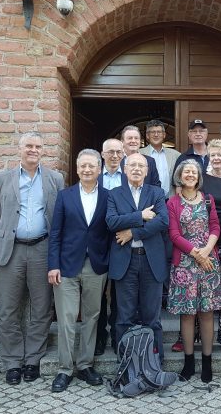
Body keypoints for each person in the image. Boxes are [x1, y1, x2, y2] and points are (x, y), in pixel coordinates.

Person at [0, 131, 64, 385]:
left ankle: (33, 359)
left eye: (38, 146)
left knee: (42, 307)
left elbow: (58, 215)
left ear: (43, 150)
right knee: (8, 308)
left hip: (42, 248)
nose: (33, 150)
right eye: (29, 146)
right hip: (12, 249)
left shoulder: (55, 178)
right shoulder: (3, 179)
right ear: (20, 149)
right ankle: (13, 362)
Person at [48, 149, 110, 393]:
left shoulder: (108, 196)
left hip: (96, 264)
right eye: (83, 166)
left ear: (99, 169)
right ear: (77, 169)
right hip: (66, 265)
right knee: (67, 317)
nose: (87, 170)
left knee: (92, 315)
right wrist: (53, 265)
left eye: (91, 166)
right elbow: (55, 233)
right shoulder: (65, 196)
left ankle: (85, 365)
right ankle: (64, 369)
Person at [172, 139, 221, 355]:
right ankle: (189, 337)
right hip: (197, 243)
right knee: (193, 297)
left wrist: (211, 246)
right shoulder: (202, 179)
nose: (217, 158)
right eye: (213, 155)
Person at [166, 160, 221, 383]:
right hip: (185, 265)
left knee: (207, 313)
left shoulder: (208, 199)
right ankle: (189, 363)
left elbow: (215, 226)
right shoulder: (173, 202)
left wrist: (207, 250)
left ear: (199, 177)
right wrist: (196, 253)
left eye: (194, 172)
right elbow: (174, 234)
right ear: (179, 176)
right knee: (188, 314)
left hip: (209, 263)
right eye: (186, 172)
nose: (190, 175)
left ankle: (207, 363)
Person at [106, 153, 169, 359]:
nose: (136, 169)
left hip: (151, 261)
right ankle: (126, 365)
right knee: (124, 317)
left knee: (152, 318)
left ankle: (155, 363)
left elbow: (162, 221)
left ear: (147, 170)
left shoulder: (157, 193)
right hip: (125, 260)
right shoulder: (114, 194)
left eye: (141, 165)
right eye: (132, 165)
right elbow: (111, 222)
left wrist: (133, 232)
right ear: (124, 169)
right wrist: (141, 215)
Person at [95, 138, 124, 356]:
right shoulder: (94, 175)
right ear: (102, 154)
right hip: (97, 238)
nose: (114, 156)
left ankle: (116, 334)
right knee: (97, 291)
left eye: (118, 152)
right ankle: (98, 336)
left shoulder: (128, 176)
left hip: (122, 238)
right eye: (110, 152)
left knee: (118, 291)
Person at [140, 119, 181, 199]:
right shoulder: (139, 154)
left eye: (159, 132)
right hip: (147, 199)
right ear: (147, 135)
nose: (156, 135)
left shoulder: (175, 155)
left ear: (164, 135)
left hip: (169, 200)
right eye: (153, 132)